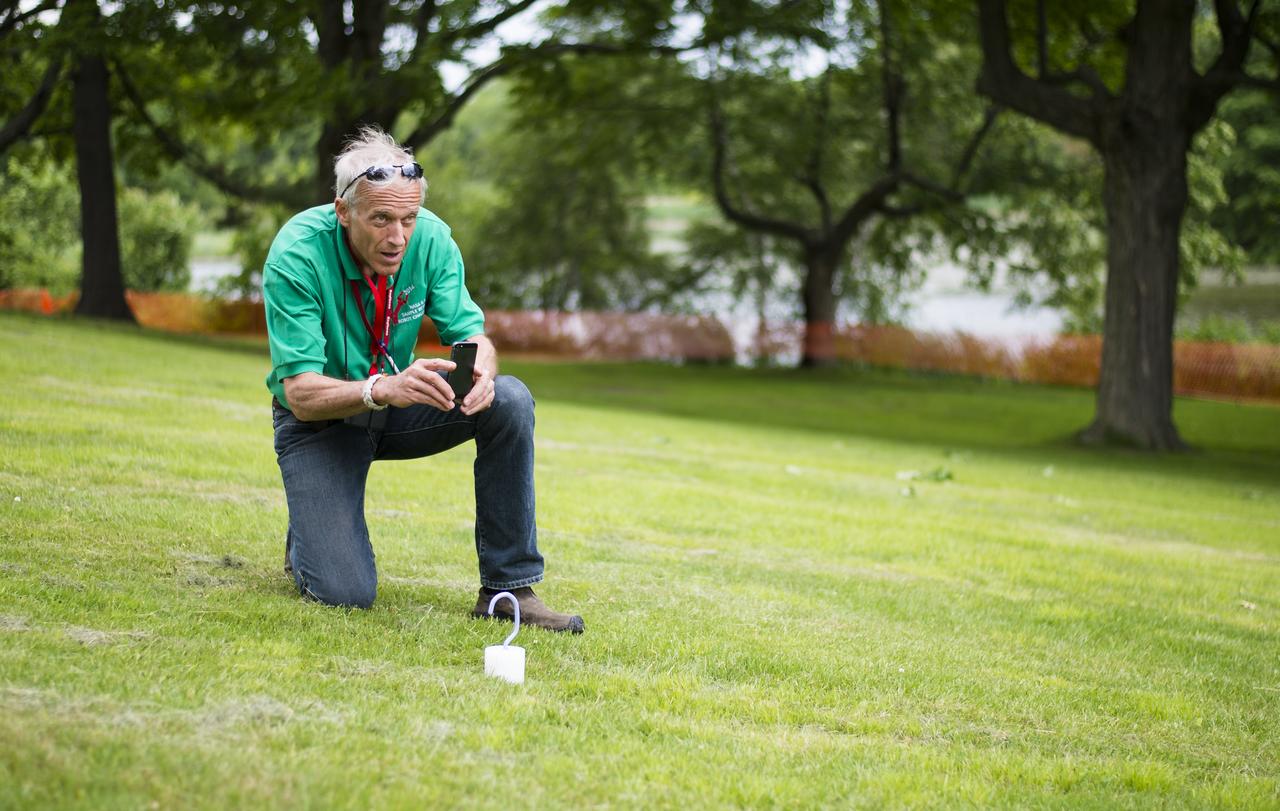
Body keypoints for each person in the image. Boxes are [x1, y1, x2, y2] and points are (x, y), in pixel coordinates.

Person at [262, 126, 583, 633]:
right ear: (344, 212)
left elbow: (474, 335)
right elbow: (300, 395)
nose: (398, 238)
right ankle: (311, 528)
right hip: (321, 421)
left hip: (397, 406)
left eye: (408, 218)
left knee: (511, 399)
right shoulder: (297, 252)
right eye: (382, 219)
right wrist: (378, 389)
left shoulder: (431, 237)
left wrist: (482, 373)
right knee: (344, 595)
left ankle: (508, 589)